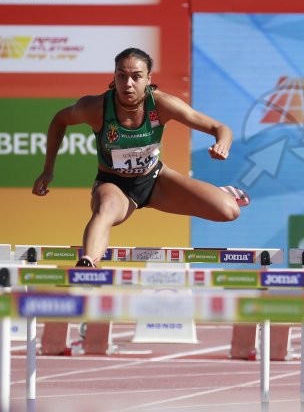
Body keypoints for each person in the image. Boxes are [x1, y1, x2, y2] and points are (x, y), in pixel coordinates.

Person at [32, 47, 249, 267]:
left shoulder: (162, 104)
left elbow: (220, 127)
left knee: (229, 211)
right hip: (114, 185)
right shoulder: (95, 107)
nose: (128, 84)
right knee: (104, 211)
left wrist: (222, 145)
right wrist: (48, 169)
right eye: (121, 76)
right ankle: (88, 264)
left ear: (148, 79)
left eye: (136, 77)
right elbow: (60, 120)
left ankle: (219, 193)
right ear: (114, 76)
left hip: (156, 181)